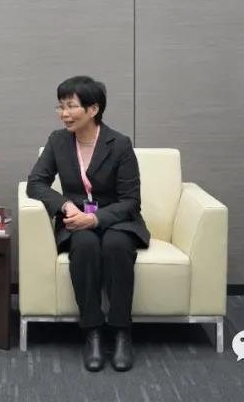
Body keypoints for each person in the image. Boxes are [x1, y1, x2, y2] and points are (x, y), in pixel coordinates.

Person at [26, 75, 150, 372]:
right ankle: (92, 331)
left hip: (117, 220)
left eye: (71, 106)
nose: (64, 113)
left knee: (116, 246)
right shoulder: (58, 141)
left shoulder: (119, 144)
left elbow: (131, 201)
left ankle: (121, 332)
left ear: (93, 109)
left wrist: (94, 218)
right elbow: (36, 183)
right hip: (75, 220)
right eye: (61, 106)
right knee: (84, 247)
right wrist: (65, 206)